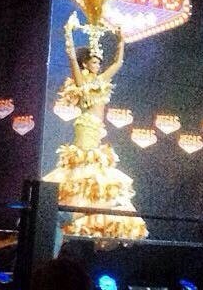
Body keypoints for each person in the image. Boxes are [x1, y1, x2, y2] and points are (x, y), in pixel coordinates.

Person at [43, 15, 147, 239]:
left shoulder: (101, 81)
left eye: (100, 61)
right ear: (86, 63)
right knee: (84, 171)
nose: (98, 64)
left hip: (97, 131)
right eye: (94, 61)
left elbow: (118, 63)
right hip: (85, 129)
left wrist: (121, 41)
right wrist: (69, 33)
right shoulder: (82, 82)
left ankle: (85, 221)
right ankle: (68, 218)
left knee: (97, 175)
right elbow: (72, 57)